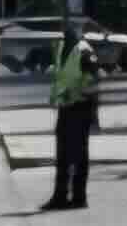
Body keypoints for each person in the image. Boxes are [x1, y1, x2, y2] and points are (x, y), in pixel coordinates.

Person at [44, 15, 103, 211]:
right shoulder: (62, 48)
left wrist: (76, 93)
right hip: (65, 108)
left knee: (78, 155)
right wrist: (55, 96)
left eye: (69, 27)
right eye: (64, 26)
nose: (65, 30)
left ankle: (79, 198)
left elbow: (93, 82)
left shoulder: (85, 51)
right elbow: (61, 76)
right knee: (62, 155)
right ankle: (59, 196)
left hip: (81, 107)